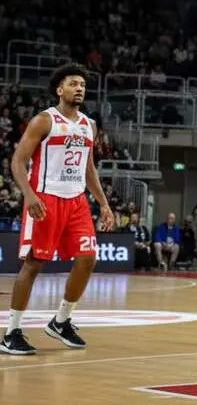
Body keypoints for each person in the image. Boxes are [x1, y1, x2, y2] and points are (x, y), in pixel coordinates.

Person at [3, 63, 115, 356]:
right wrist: (28, 195)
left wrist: (103, 203)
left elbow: (89, 168)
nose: (79, 88)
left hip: (76, 201)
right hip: (45, 199)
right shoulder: (43, 120)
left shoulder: (89, 125)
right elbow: (17, 162)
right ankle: (11, 331)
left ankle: (61, 321)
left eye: (83, 85)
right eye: (73, 83)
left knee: (88, 259)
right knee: (34, 264)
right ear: (59, 89)